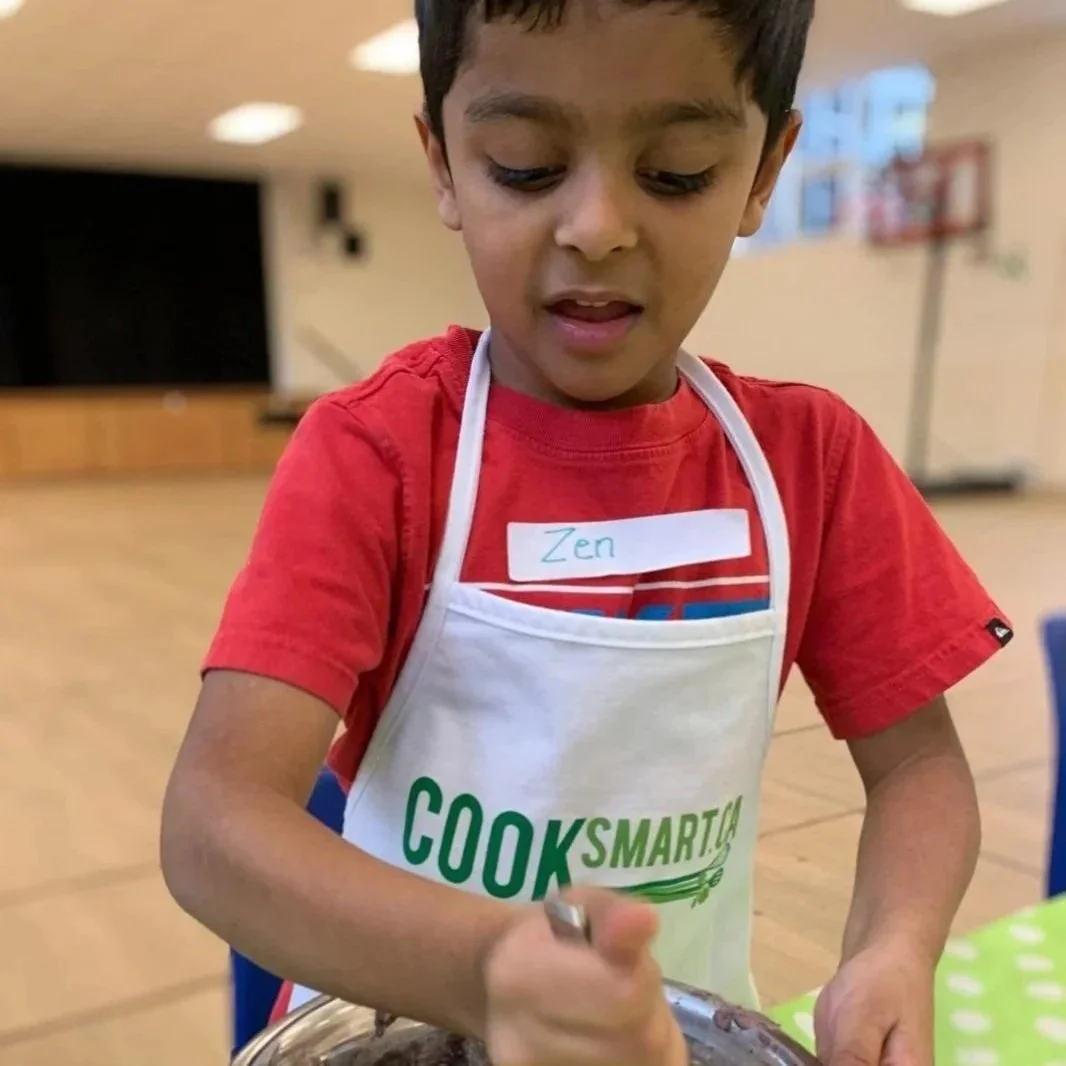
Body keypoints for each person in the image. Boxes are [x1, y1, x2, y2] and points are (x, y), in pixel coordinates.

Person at [159, 3, 1013, 1065]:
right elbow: (213, 825)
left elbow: (918, 768)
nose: (598, 225)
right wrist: (488, 970)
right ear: (443, 163)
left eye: (678, 171)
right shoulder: (379, 454)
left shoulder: (813, 465)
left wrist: (891, 947)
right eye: (523, 166)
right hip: (393, 1034)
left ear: (761, 172)